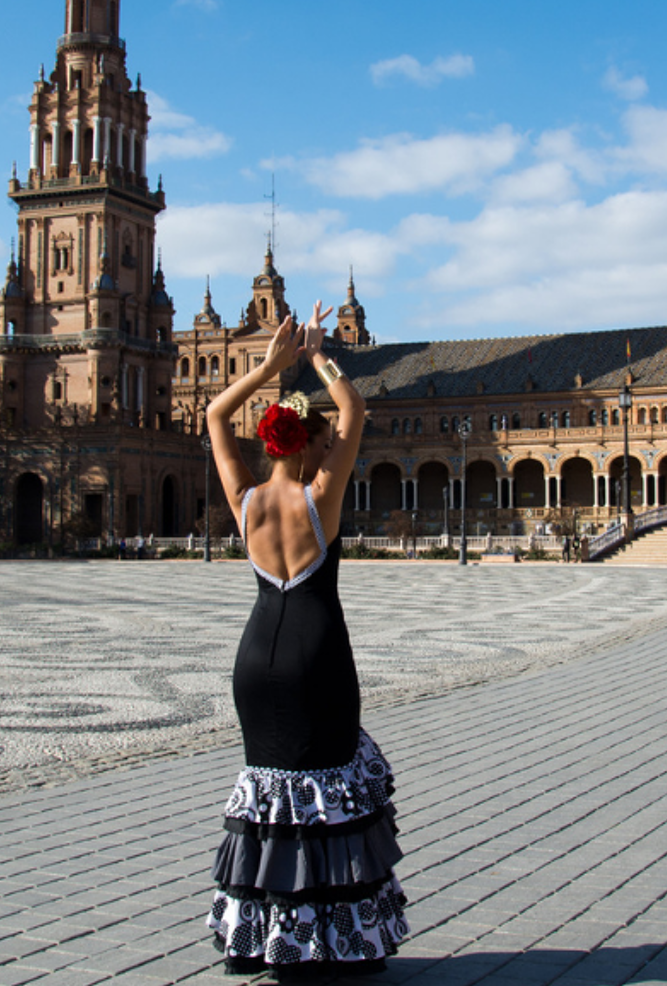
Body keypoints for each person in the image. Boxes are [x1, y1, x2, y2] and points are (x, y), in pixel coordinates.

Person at [202, 302, 408, 977]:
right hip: (318, 657)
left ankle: (259, 940)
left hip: (256, 660)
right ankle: (335, 943)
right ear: (304, 446)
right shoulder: (321, 497)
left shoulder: (247, 500)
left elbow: (214, 417)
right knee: (328, 796)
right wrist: (319, 355)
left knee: (270, 798)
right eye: (322, 444)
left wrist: (269, 367)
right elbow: (354, 409)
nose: (330, 449)